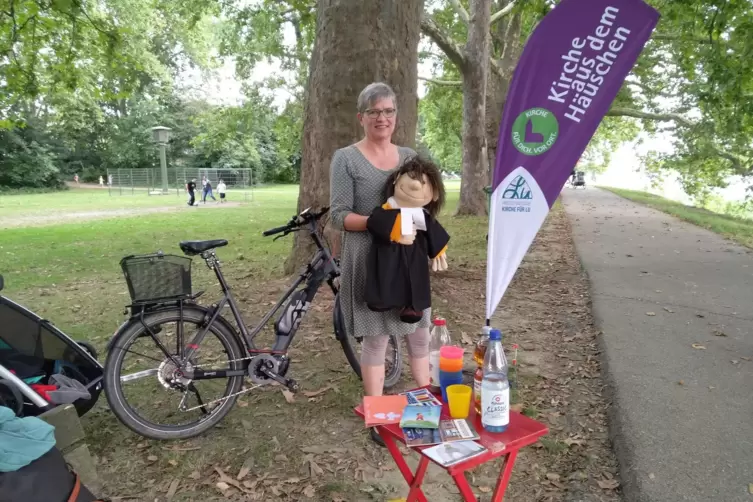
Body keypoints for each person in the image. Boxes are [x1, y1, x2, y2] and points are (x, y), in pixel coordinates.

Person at [330, 82, 434, 446]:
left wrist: (433, 241)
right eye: (374, 111)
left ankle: (429, 403)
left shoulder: (409, 156)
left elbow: (423, 203)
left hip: (408, 261)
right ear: (362, 117)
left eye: (388, 111)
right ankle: (377, 417)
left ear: (396, 116)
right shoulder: (345, 158)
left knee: (419, 331)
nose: (382, 118)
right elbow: (338, 216)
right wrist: (381, 223)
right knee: (376, 339)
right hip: (369, 259)